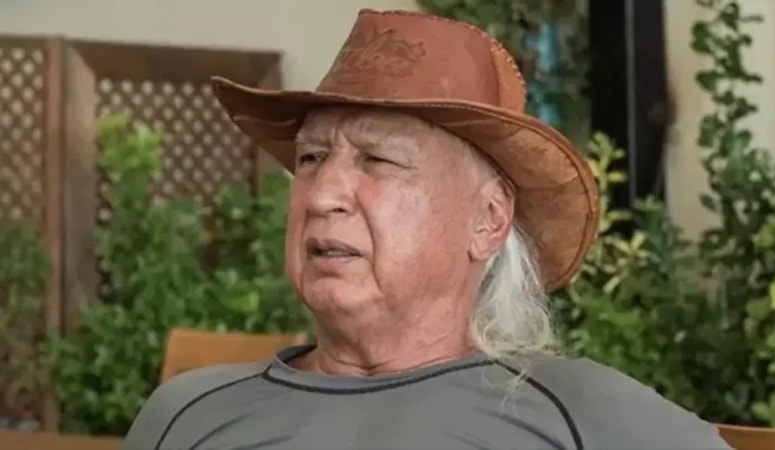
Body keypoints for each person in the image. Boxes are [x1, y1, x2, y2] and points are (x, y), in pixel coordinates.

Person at [123, 9, 732, 450]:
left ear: (488, 220)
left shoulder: (580, 413)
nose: (323, 195)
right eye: (310, 158)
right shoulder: (186, 414)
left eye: (377, 159)